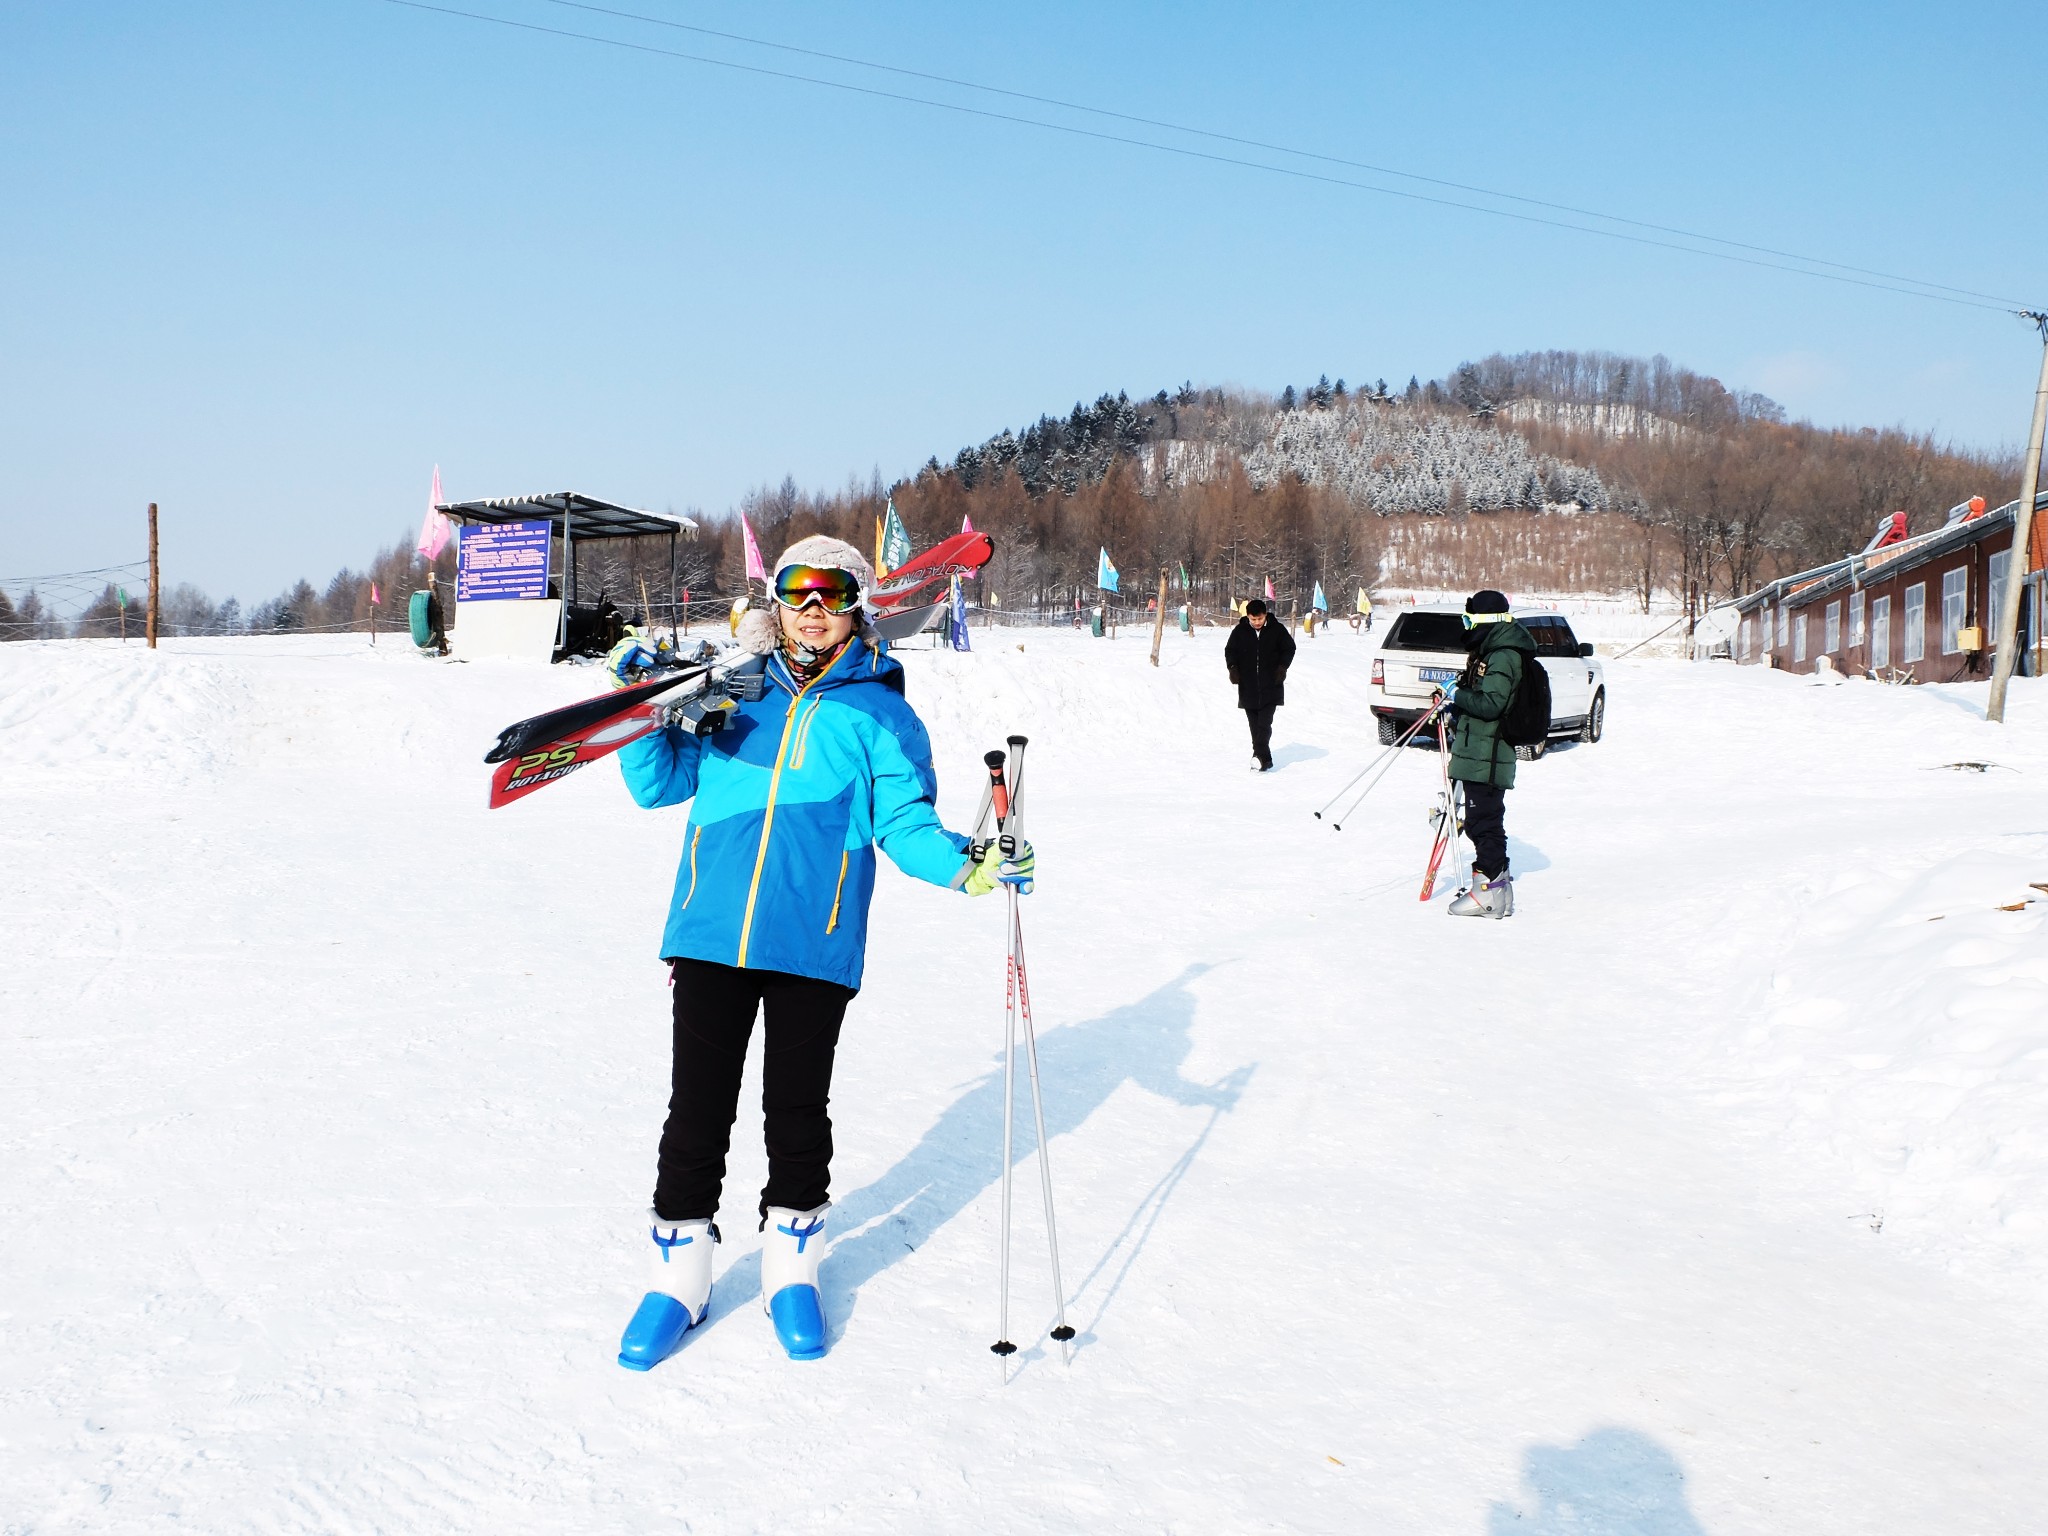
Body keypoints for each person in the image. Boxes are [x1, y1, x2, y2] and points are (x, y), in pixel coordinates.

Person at [605, 535, 1033, 1370]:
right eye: (795, 592)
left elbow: (903, 825)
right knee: (696, 1114)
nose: (810, 611)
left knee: (796, 1114)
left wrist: (968, 866)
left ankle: (790, 1272)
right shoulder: (729, 692)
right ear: (776, 600)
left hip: (815, 939)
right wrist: (642, 706)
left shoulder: (881, 713)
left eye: (829, 595)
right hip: (709, 933)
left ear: (854, 604)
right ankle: (678, 1281)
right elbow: (658, 784)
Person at [1432, 589, 1538, 919]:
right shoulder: (1489, 651)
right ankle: (1494, 886)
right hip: (1477, 751)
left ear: (1484, 619)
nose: (1466, 625)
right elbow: (1480, 698)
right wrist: (1454, 700)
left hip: (1489, 756)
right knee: (1483, 822)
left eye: (1469, 618)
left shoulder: (1504, 654)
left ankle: (1490, 894)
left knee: (1483, 823)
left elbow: (1492, 705)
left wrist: (1458, 694)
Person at [1224, 598, 1296, 771]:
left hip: (1271, 685)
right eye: (1253, 619)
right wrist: (1233, 668)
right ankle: (1265, 759)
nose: (1256, 622)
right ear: (1248, 616)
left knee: (1264, 724)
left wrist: (1282, 667)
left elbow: (1289, 648)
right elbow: (1230, 650)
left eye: (1260, 619)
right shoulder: (1240, 631)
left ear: (1265, 615)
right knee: (1254, 726)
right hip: (1248, 686)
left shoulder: (1277, 630)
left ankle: (1259, 757)